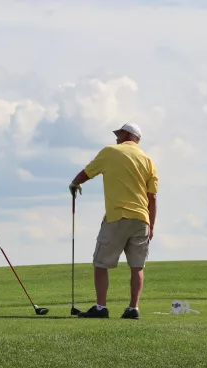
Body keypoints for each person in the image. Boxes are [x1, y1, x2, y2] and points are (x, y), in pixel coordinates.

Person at [69, 122, 158, 319]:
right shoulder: (148, 160)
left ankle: (101, 307)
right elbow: (152, 197)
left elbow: (87, 172)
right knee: (137, 266)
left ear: (127, 135)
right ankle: (133, 308)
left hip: (117, 217)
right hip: (141, 219)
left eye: (119, 134)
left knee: (101, 263)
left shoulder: (110, 152)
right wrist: (151, 225)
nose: (116, 137)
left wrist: (75, 183)